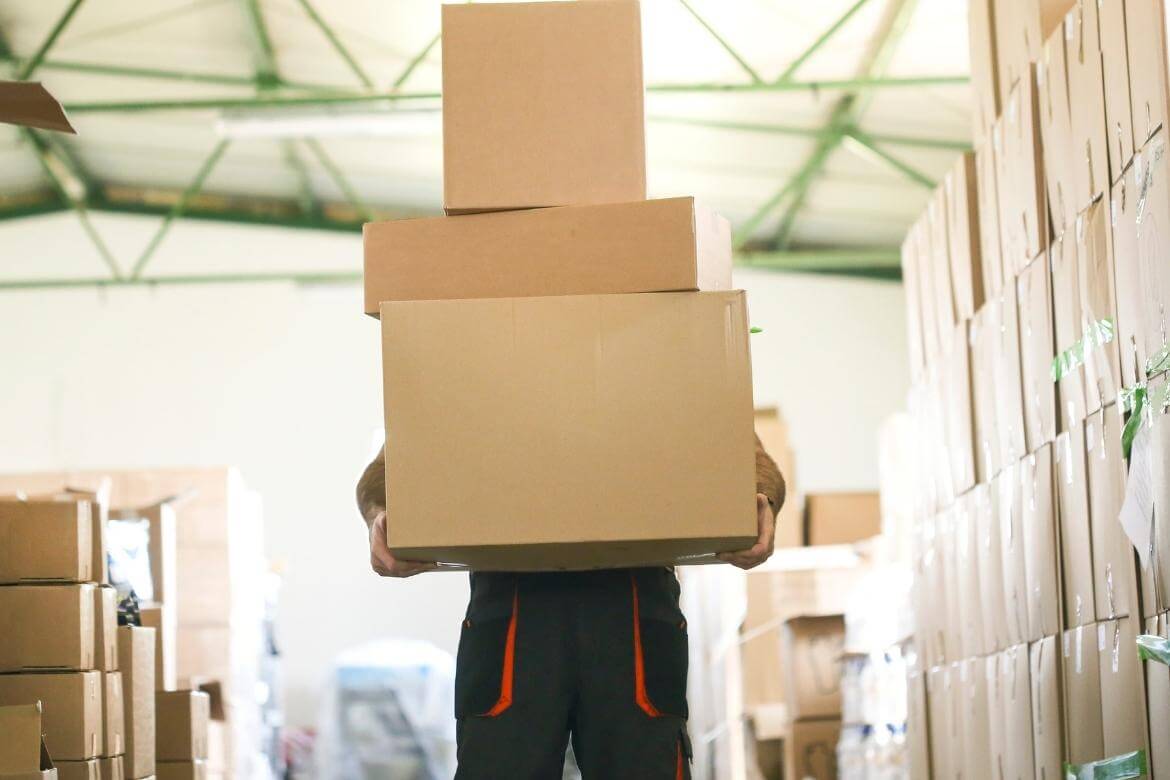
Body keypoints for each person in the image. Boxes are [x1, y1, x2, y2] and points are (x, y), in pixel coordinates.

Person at [356, 435, 784, 779]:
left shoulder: (659, 344)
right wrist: (383, 515)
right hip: (514, 604)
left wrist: (760, 501)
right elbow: (382, 474)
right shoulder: (477, 348)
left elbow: (753, 459)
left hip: (632, 604)